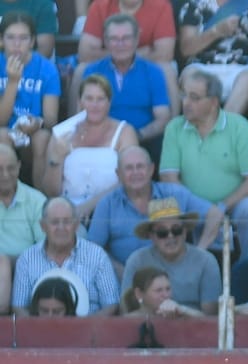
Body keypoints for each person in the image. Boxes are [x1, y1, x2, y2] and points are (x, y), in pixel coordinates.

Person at [159, 68, 248, 262]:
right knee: (169, 201)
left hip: (232, 205)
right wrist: (204, 209)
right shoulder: (175, 127)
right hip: (191, 205)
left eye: (195, 98)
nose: (186, 103)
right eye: (184, 96)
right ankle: (183, 265)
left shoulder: (239, 126)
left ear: (214, 102)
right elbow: (169, 179)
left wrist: (222, 207)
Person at [87, 145, 223, 276]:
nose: (135, 173)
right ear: (118, 174)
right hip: (124, 279)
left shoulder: (174, 194)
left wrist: (198, 253)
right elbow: (93, 249)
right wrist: (121, 272)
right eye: (129, 168)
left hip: (174, 277)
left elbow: (215, 214)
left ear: (151, 169)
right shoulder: (108, 203)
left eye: (140, 166)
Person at [42, 75, 140, 224]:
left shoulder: (125, 132)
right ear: (80, 101)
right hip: (69, 214)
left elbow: (130, 180)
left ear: (109, 102)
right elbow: (51, 192)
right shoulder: (61, 133)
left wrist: (89, 206)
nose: (95, 105)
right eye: (89, 98)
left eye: (100, 99)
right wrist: (56, 159)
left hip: (113, 210)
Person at [177, 0, 248, 127]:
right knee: (192, 76)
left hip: (242, 69)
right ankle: (195, 134)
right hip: (202, 66)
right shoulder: (194, 6)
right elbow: (186, 49)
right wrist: (216, 31)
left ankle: (220, 133)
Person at [81, 14, 171, 162]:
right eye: (114, 39)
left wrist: (134, 136)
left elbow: (162, 117)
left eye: (126, 38)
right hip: (102, 141)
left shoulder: (153, 72)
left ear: (136, 40)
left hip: (143, 140)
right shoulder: (93, 71)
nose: (120, 44)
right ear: (106, 41)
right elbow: (83, 114)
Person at [12, 196, 120, 316]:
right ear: (43, 226)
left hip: (89, 330)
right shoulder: (27, 259)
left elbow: (111, 305)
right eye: (54, 222)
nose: (61, 228)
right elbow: (19, 307)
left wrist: (85, 329)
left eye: (67, 221)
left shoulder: (97, 255)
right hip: (40, 331)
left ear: (76, 225)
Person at [74, 0, 178, 118]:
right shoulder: (99, 5)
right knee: (81, 70)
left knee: (166, 69)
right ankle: (74, 127)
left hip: (147, 68)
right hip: (107, 65)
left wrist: (123, 51)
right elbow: (85, 53)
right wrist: (126, 51)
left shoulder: (161, 6)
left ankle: (173, 129)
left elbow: (165, 54)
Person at [122, 197, 221, 315]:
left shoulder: (206, 261)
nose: (170, 236)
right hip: (148, 327)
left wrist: (181, 312)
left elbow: (211, 317)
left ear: (184, 231)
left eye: (176, 230)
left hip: (193, 328)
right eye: (162, 232)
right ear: (151, 236)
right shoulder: (137, 260)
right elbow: (126, 311)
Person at [0, 13, 60, 188]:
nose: (17, 44)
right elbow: (1, 121)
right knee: (2, 136)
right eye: (10, 37)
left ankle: (39, 201)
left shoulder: (47, 69)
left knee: (42, 138)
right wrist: (12, 82)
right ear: (1, 40)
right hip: (5, 131)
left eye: (23, 38)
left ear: (32, 41)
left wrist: (38, 122)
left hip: (32, 134)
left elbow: (51, 119)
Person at [122, 265, 203, 317]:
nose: (166, 295)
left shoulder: (178, 315)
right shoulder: (127, 322)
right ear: (139, 294)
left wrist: (182, 310)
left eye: (168, 289)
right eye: (158, 290)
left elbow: (204, 321)